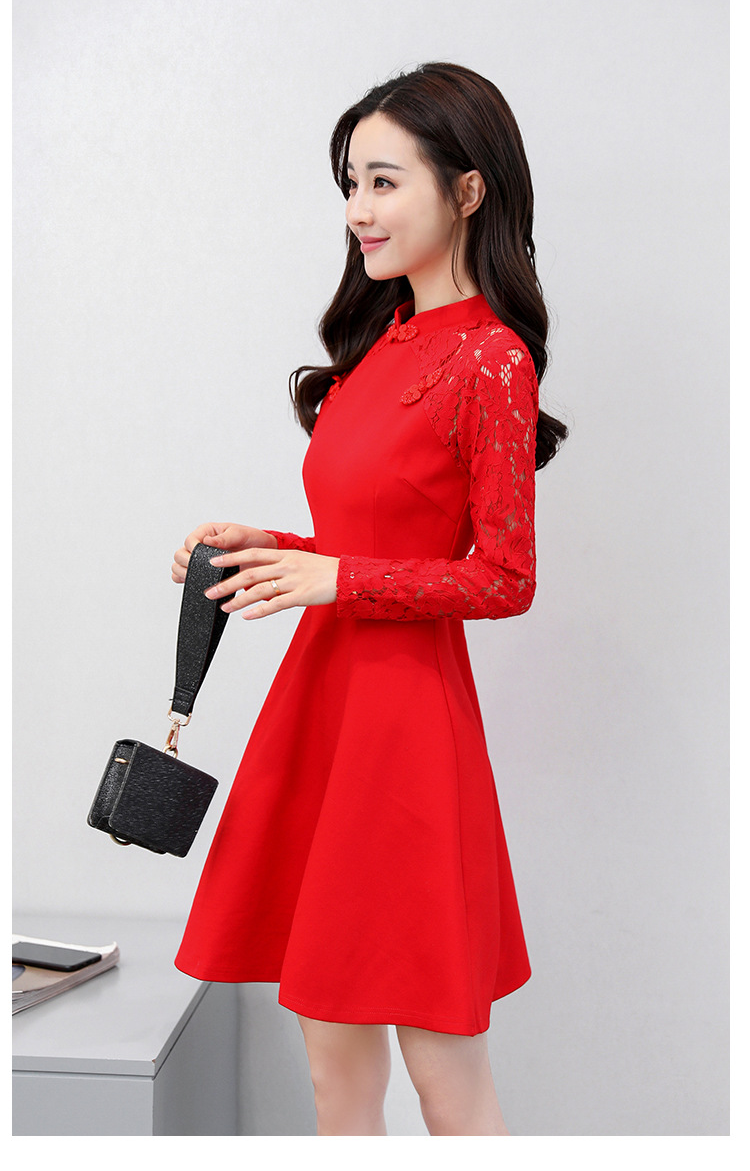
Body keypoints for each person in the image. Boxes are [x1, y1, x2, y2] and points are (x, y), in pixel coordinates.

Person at [170, 62, 567, 1137]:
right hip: (324, 713)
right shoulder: (376, 348)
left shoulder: (492, 360)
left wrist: (336, 578)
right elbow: (370, 536)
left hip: (406, 739)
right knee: (333, 1076)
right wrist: (275, 548)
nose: (358, 210)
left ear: (468, 190)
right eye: (351, 184)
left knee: (446, 1079)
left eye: (384, 182)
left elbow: (505, 577)